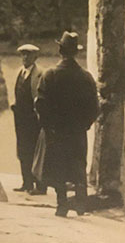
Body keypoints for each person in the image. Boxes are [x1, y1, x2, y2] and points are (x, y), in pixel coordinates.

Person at [32, 31, 98, 217]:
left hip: (56, 132)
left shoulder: (50, 75)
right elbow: (94, 107)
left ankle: (62, 204)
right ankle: (80, 204)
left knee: (58, 166)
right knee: (77, 165)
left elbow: (40, 104)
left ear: (60, 50)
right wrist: (84, 125)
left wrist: (48, 126)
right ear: (76, 52)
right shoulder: (86, 77)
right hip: (77, 131)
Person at [11, 43, 46, 194]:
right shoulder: (19, 72)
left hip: (34, 119)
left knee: (36, 151)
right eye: (23, 54)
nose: (25, 57)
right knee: (23, 150)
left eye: (29, 55)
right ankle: (26, 183)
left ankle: (40, 186)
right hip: (21, 119)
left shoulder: (41, 73)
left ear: (35, 57)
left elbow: (43, 97)